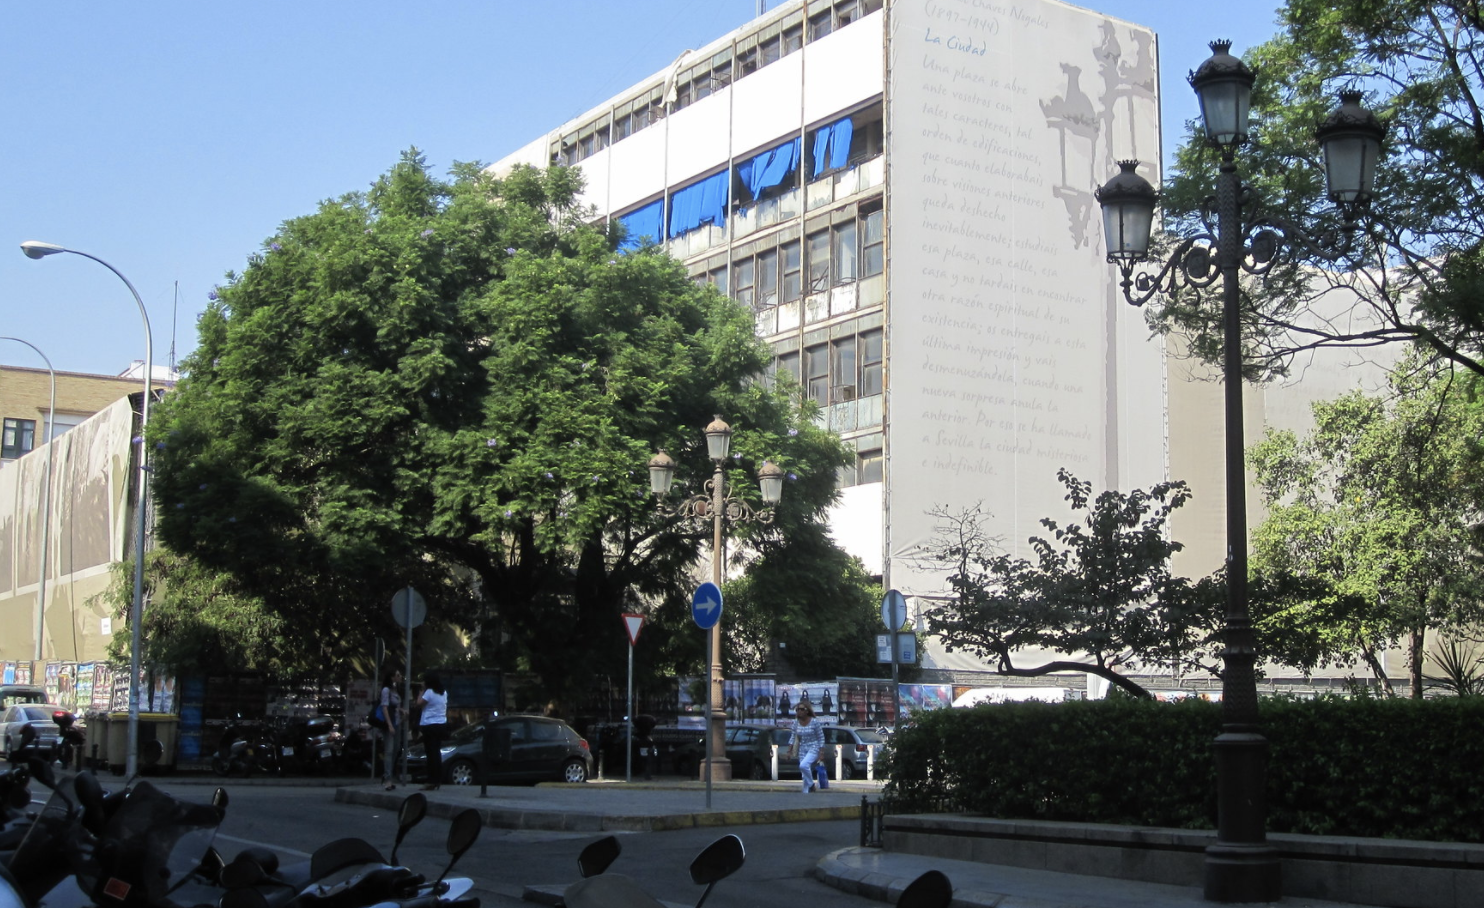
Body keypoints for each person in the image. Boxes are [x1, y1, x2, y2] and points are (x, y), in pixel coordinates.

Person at [417, 671, 449, 791]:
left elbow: (419, 704)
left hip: (429, 724)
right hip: (441, 724)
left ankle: (431, 780)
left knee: (430, 753)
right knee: (437, 752)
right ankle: (437, 778)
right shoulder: (443, 692)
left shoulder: (429, 692)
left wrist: (420, 692)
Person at [788, 702, 826, 794]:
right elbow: (793, 737)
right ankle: (805, 793)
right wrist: (789, 751)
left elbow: (821, 737)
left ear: (807, 711)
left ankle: (811, 785)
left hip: (814, 747)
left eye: (802, 709)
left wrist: (821, 753)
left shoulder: (814, 722)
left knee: (803, 765)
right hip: (802, 748)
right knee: (804, 773)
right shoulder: (796, 723)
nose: (799, 711)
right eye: (797, 710)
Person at [379, 669, 403, 790]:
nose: (400, 677)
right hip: (390, 723)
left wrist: (403, 711)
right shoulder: (386, 690)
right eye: (398, 675)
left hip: (397, 722)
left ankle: (388, 774)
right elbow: (385, 708)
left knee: (396, 748)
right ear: (392, 677)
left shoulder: (395, 690)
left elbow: (396, 707)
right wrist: (389, 725)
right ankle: (388, 778)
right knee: (389, 750)